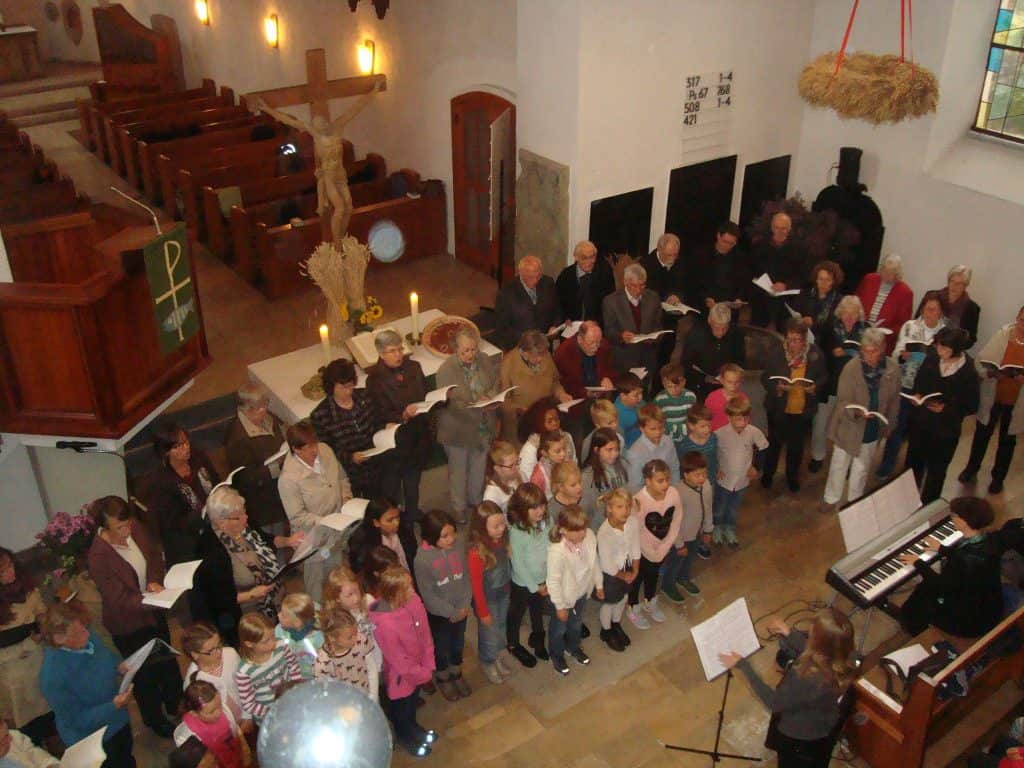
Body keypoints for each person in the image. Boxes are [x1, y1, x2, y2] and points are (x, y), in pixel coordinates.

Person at [86, 496, 181, 739]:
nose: (127, 531)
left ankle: (176, 705)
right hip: (129, 625)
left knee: (167, 661)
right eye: (120, 528)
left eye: (128, 524)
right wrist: (151, 600)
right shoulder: (98, 556)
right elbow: (118, 599)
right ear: (104, 528)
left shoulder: (135, 527)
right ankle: (155, 719)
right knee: (145, 676)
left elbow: (154, 556)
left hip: (154, 609)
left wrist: (154, 581)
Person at [719, 609, 858, 768]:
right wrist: (789, 633)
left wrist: (744, 666)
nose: (808, 633)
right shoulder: (847, 658)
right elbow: (819, 652)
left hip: (800, 737)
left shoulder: (806, 678)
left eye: (812, 633)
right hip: (825, 724)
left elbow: (774, 702)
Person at [192, 486, 301, 646]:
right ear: (222, 522)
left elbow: (266, 539)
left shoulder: (245, 527)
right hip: (247, 616)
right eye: (239, 516)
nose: (246, 517)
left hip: (275, 600)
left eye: (244, 511)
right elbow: (218, 599)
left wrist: (288, 541)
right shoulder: (211, 551)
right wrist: (251, 594)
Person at [37, 603, 135, 767]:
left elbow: (106, 655)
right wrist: (113, 705)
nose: (88, 633)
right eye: (79, 632)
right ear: (59, 638)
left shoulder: (86, 635)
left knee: (128, 759)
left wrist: (118, 666)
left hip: (118, 719)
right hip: (94, 738)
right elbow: (77, 720)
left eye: (84, 626)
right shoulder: (52, 677)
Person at [897, 496, 1003, 638]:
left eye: (954, 515)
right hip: (989, 607)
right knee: (924, 589)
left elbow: (939, 585)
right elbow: (968, 554)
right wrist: (941, 549)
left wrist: (917, 562)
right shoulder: (989, 539)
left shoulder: (961, 561)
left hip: (969, 622)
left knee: (919, 597)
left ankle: (915, 629)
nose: (952, 518)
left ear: (964, 522)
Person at [822, 328, 901, 512]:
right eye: (865, 351)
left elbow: (895, 400)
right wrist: (857, 412)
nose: (869, 356)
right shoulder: (851, 368)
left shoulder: (892, 369)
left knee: (862, 467)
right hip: (849, 425)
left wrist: (890, 424)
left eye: (874, 351)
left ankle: (854, 501)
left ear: (882, 349)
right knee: (839, 463)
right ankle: (831, 498)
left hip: (873, 426)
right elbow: (843, 400)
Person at [277, 420, 352, 602]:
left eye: (315, 444)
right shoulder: (288, 479)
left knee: (336, 574)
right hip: (313, 538)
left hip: (336, 529)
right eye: (308, 447)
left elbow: (342, 477)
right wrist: (325, 521)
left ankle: (339, 609)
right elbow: (297, 516)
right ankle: (319, 614)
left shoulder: (326, 450)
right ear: (296, 449)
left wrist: (346, 497)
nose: (315, 450)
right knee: (316, 584)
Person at [905, 327, 980, 504]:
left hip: (945, 431)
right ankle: (907, 502)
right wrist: (917, 395)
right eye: (938, 346)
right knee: (912, 467)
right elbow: (919, 382)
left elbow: (972, 405)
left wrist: (946, 409)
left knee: (936, 472)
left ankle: (928, 507)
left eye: (944, 348)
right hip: (921, 424)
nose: (939, 351)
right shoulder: (932, 358)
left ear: (957, 349)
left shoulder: (968, 371)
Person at [876, 293, 947, 479]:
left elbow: (947, 362)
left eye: (933, 310)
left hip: (928, 388)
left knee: (919, 430)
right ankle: (887, 464)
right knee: (897, 426)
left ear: (941, 312)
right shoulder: (910, 326)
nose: (928, 313)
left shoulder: (945, 333)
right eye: (926, 309)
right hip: (906, 383)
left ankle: (912, 469)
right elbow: (896, 353)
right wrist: (903, 355)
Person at [369, 566, 438, 757]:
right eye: (407, 588)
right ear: (394, 594)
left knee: (412, 703)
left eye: (411, 585)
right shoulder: (385, 624)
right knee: (402, 709)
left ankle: (413, 727)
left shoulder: (413, 601)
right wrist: (423, 673)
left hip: (420, 668)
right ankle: (405, 736)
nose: (413, 590)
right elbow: (399, 660)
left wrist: (428, 662)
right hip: (402, 677)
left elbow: (425, 633)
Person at [366, 329, 432, 526]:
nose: (398, 355)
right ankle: (393, 519)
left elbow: (426, 393)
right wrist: (402, 416)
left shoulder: (414, 367)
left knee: (413, 480)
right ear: (381, 354)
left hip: (417, 435)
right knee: (392, 486)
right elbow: (376, 413)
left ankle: (412, 511)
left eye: (399, 349)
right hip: (394, 442)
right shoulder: (374, 380)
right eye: (392, 351)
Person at [436, 326, 501, 521]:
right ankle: (459, 507)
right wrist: (478, 406)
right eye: (465, 351)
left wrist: (490, 397)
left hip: (483, 426)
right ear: (455, 349)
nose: (470, 355)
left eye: (473, 349)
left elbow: (495, 383)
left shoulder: (484, 359)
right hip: (458, 428)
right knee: (459, 471)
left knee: (478, 467)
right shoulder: (446, 370)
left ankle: (476, 500)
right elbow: (450, 403)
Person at [960, 305, 1024, 496]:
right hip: (993, 395)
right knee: (982, 434)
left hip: (1017, 401)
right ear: (1017, 317)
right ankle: (971, 468)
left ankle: (998, 478)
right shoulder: (1002, 335)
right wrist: (990, 372)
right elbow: (981, 360)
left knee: (1007, 440)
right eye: (1022, 320)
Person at [760, 319, 828, 493]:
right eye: (790, 339)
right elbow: (765, 377)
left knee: (796, 448)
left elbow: (823, 377)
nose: (793, 344)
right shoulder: (776, 353)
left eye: (797, 340)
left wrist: (815, 387)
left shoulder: (815, 354)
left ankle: (792, 478)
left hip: (802, 411)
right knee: (774, 445)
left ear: (805, 340)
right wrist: (777, 388)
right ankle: (768, 475)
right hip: (778, 408)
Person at [413, 510, 472, 702]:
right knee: (441, 647)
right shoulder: (422, 560)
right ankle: (443, 676)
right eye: (445, 536)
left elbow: (466, 576)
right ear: (431, 536)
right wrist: (451, 612)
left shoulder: (458, 546)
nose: (451, 539)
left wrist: (465, 604)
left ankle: (456, 672)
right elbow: (428, 595)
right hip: (440, 615)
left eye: (453, 533)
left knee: (458, 644)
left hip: (461, 609)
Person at [810, 295, 869, 473]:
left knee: (850, 424)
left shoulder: (866, 331)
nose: (849, 317)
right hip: (831, 383)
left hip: (853, 387)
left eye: (853, 313)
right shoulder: (829, 329)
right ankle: (818, 456)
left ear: (859, 314)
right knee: (821, 423)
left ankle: (845, 460)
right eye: (846, 313)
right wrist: (832, 352)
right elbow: (818, 354)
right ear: (840, 313)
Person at [148, 420, 220, 566]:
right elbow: (172, 524)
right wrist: (203, 512)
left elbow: (216, 481)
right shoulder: (162, 482)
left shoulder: (198, 458)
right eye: (178, 446)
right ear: (166, 452)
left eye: (186, 442)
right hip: (188, 542)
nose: (186, 448)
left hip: (215, 522)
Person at [224, 382, 290, 535]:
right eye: (259, 407)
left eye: (265, 404)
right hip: (262, 501)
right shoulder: (238, 438)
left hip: (279, 489)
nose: (264, 410)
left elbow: (282, 430)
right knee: (272, 536)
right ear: (245, 409)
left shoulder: (268, 417)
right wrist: (276, 466)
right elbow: (244, 477)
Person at [310, 358, 381, 499]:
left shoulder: (364, 396)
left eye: (351, 386)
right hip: (350, 472)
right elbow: (327, 449)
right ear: (331, 387)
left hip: (377, 461)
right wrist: (350, 457)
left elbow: (377, 421)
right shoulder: (321, 415)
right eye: (343, 387)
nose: (348, 391)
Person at [546, 505, 601, 676]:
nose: (582, 534)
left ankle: (573, 647)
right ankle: (556, 655)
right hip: (563, 598)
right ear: (563, 530)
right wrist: (560, 606)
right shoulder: (557, 552)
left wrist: (599, 584)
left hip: (581, 593)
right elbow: (553, 582)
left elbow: (594, 561)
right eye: (576, 530)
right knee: (558, 630)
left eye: (583, 528)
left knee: (576, 624)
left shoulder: (589, 536)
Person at [0, 547, 48, 738]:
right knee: (30, 729)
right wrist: (28, 643)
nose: (10, 572)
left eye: (11, 566)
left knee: (51, 718)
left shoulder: (28, 589)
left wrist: (43, 622)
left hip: (40, 663)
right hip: (14, 675)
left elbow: (42, 613)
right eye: (2, 572)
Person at [627, 459, 681, 627]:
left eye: (667, 479)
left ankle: (650, 601)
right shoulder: (638, 501)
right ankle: (633, 607)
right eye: (660, 481)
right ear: (648, 481)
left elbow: (676, 520)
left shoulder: (673, 494)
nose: (665, 484)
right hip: (641, 551)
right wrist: (650, 552)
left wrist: (664, 547)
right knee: (637, 578)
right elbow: (636, 531)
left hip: (661, 550)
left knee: (653, 577)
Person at [467, 501, 513, 685]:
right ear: (481, 528)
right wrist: (483, 611)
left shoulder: (501, 540)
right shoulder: (476, 553)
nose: (501, 528)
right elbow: (476, 586)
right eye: (496, 526)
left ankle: (497, 655)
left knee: (500, 627)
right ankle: (488, 661)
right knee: (488, 633)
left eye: (502, 524)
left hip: (503, 593)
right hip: (487, 601)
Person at [499, 330, 572, 443]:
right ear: (525, 352)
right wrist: (518, 409)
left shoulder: (545, 355)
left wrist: (561, 394)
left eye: (542, 355)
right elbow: (502, 400)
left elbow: (554, 381)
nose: (540, 359)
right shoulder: (508, 364)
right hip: (521, 425)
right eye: (536, 356)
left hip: (545, 421)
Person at [714, 397, 769, 547]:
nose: (743, 423)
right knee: (719, 506)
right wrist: (716, 468)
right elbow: (711, 453)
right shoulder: (719, 434)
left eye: (746, 418)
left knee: (734, 508)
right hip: (723, 480)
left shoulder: (753, 432)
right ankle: (717, 527)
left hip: (742, 481)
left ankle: (729, 528)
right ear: (729, 417)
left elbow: (764, 448)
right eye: (738, 419)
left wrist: (756, 467)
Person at [506, 483, 550, 667]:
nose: (539, 511)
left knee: (537, 610)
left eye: (541, 505)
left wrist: (548, 579)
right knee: (516, 613)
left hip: (542, 580)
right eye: (533, 508)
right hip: (523, 584)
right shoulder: (517, 532)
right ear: (522, 509)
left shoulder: (545, 522)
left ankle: (538, 638)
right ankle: (513, 644)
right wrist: (534, 586)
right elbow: (518, 564)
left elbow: (549, 545)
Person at [319, 565, 381, 698]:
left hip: (376, 661)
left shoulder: (368, 601)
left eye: (357, 591)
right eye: (349, 595)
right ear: (336, 598)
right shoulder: (337, 622)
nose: (356, 598)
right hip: (357, 671)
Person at [233, 612, 302, 726]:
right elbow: (249, 704)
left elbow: (294, 667)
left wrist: (296, 689)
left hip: (291, 703)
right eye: (266, 641)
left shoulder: (281, 646)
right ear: (249, 644)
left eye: (273, 636)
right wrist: (272, 712)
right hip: (270, 719)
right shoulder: (244, 672)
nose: (273, 642)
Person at [595, 488, 640, 652]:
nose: (625, 511)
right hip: (611, 573)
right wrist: (624, 576)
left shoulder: (632, 522)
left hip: (626, 567)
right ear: (609, 508)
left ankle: (616, 624)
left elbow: (635, 545)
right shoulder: (604, 532)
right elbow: (607, 564)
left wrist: (635, 570)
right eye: (620, 507)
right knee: (611, 602)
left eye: (628, 506)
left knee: (624, 597)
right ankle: (606, 631)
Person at [602, 263, 663, 381]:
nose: (638, 290)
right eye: (634, 286)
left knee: (645, 389)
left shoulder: (653, 297)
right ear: (625, 282)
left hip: (647, 355)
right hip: (624, 356)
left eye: (642, 285)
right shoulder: (611, 301)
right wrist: (621, 336)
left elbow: (658, 325)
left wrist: (654, 337)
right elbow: (609, 330)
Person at [173, 680, 252, 768]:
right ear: (194, 713)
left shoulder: (223, 710)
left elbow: (235, 732)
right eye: (211, 712)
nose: (219, 712)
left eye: (219, 705)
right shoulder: (187, 736)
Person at [180, 622, 246, 725]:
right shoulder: (193, 682)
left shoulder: (231, 654)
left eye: (219, 645)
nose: (219, 652)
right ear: (195, 654)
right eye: (211, 650)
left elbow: (245, 684)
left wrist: (247, 716)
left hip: (246, 712)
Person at [750, 212, 807, 329]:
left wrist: (786, 285)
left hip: (786, 302)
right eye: (776, 227)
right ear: (772, 227)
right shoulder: (759, 246)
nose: (779, 231)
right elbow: (751, 270)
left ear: (789, 229)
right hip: (761, 300)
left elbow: (803, 276)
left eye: (783, 228)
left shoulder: (799, 249)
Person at [681, 302, 747, 402]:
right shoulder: (696, 335)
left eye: (724, 328)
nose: (720, 333)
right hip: (700, 384)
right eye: (716, 328)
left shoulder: (737, 334)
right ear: (709, 321)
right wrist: (704, 378)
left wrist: (729, 377)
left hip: (728, 384)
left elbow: (740, 360)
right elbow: (686, 363)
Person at [493, 255, 561, 350]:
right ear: (520, 273)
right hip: (521, 347)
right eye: (530, 277)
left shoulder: (548, 283)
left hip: (545, 344)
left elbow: (557, 309)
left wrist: (555, 326)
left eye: (538, 276)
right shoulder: (506, 293)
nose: (535, 281)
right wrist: (525, 338)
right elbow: (501, 327)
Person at [642, 233, 690, 368]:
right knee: (649, 357)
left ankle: (662, 378)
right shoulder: (646, 265)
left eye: (675, 255)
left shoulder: (681, 263)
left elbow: (686, 286)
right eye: (669, 255)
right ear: (659, 249)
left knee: (666, 353)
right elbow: (645, 293)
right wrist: (664, 298)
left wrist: (677, 296)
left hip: (671, 317)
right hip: (651, 318)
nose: (673, 258)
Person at [674, 451, 715, 596]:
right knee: (675, 562)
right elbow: (674, 522)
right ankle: (668, 585)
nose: (702, 478)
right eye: (697, 475)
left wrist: (708, 530)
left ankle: (683, 578)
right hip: (681, 538)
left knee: (689, 559)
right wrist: (679, 544)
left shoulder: (706, 485)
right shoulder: (678, 492)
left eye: (704, 473)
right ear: (685, 475)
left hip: (696, 533)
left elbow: (708, 507)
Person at [345, 498, 417, 579]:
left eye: (397, 517)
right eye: (390, 520)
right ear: (376, 522)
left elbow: (411, 552)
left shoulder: (403, 530)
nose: (396, 523)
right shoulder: (365, 544)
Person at [855, 253, 913, 352]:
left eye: (891, 272)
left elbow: (903, 324)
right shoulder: (869, 279)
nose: (886, 274)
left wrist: (882, 332)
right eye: (884, 270)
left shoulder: (905, 292)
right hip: (860, 331)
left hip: (882, 341)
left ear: (897, 274)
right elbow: (856, 301)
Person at [313, 605, 375, 697]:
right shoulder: (323, 663)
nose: (355, 638)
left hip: (367, 696)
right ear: (332, 637)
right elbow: (325, 692)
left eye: (356, 632)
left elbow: (372, 668)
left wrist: (373, 696)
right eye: (350, 637)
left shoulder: (361, 640)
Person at [553, 321, 618, 402]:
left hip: (601, 395)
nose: (595, 347)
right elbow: (561, 383)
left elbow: (613, 369)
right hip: (575, 399)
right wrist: (585, 393)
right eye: (591, 343)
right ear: (580, 339)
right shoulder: (564, 351)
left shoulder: (604, 346)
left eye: (598, 342)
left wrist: (608, 378)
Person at [916, 265, 981, 346]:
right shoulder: (931, 296)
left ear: (966, 285)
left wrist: (953, 345)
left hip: (949, 349)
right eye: (952, 281)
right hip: (922, 343)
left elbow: (971, 339)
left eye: (959, 283)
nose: (954, 286)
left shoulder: (971, 308)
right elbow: (916, 320)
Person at [517, 397, 577, 484]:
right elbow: (526, 479)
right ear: (539, 423)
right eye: (549, 421)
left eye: (556, 419)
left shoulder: (567, 437)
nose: (554, 423)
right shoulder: (530, 448)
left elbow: (574, 463)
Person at [555, 240, 615, 324]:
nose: (589, 262)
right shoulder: (566, 275)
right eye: (584, 258)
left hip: (596, 325)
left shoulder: (605, 272)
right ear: (576, 257)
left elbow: (610, 301)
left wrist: (598, 322)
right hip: (571, 325)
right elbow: (557, 302)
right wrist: (565, 319)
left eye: (592, 257)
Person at [581, 427, 629, 531]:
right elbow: (586, 510)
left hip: (622, 522)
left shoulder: (623, 466)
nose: (614, 454)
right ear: (596, 450)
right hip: (600, 526)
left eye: (616, 449)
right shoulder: (588, 477)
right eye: (609, 450)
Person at [694, 221, 745, 318]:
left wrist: (739, 298)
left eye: (731, 244)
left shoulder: (739, 258)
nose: (727, 246)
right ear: (718, 236)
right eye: (725, 242)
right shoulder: (702, 255)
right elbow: (695, 281)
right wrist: (705, 298)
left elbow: (742, 283)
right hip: (705, 309)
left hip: (729, 311)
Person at [626, 405, 681, 491]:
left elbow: (674, 470)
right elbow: (635, 486)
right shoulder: (635, 453)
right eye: (653, 429)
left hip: (669, 490)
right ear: (642, 429)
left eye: (661, 428)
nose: (658, 432)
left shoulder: (668, 441)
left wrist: (674, 491)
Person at [274, 592, 323, 680]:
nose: (278, 615)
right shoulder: (279, 631)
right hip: (289, 676)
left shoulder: (317, 639)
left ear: (297, 622)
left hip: (312, 678)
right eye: (280, 611)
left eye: (283, 615)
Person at [794, 260, 845, 342]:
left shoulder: (840, 301)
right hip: (800, 334)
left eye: (828, 280)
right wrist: (802, 320)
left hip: (824, 341)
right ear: (816, 279)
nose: (823, 283)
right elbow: (795, 311)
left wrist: (813, 323)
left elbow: (834, 328)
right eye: (820, 279)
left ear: (833, 282)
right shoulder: (805, 293)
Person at [677, 405, 719, 497]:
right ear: (691, 426)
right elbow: (682, 467)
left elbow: (715, 457)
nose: (707, 429)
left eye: (709, 425)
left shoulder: (713, 438)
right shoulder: (684, 446)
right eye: (703, 426)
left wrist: (718, 469)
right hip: (692, 484)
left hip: (710, 480)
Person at [654, 362, 697, 451]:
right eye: (669, 387)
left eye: (677, 386)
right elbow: (657, 419)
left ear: (683, 382)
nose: (674, 390)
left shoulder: (691, 396)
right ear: (663, 384)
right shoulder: (660, 399)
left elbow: (693, 416)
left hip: (686, 435)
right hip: (667, 436)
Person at [705, 363, 746, 432]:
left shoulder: (743, 398)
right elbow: (705, 418)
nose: (733, 385)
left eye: (737, 382)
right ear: (722, 380)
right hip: (716, 434)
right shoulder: (712, 397)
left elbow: (746, 419)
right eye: (729, 382)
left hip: (736, 433)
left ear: (741, 381)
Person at [482, 440, 521, 514]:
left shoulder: (515, 476)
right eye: (511, 466)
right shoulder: (491, 496)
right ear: (497, 468)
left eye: (517, 462)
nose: (517, 467)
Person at [528, 431, 569, 499]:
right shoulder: (538, 476)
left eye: (564, 449)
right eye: (558, 451)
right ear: (544, 453)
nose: (563, 454)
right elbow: (535, 500)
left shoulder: (566, 462)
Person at [613, 373, 646, 448]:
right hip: (631, 448)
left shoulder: (639, 402)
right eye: (636, 395)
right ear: (623, 396)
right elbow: (619, 441)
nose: (640, 397)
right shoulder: (618, 414)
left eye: (641, 392)